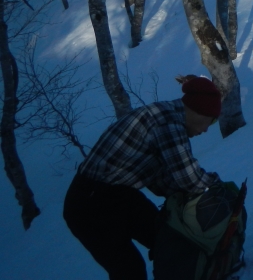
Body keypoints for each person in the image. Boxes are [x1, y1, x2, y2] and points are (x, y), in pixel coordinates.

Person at [63, 75, 223, 280]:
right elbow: (188, 179)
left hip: (118, 194)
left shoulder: (165, 117)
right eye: (212, 120)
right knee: (129, 269)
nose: (207, 129)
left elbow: (161, 180)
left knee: (165, 238)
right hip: (89, 204)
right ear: (200, 110)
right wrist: (215, 187)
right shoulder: (169, 123)